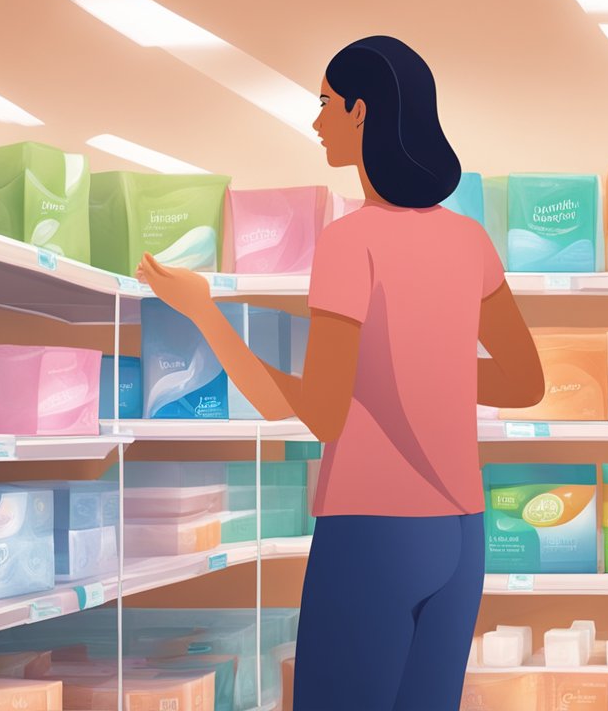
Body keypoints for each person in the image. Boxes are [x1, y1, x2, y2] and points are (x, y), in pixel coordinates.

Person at [135, 36, 546, 710]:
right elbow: (526, 381)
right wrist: (420, 375)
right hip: (460, 534)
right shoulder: (468, 239)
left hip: (373, 533)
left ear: (360, 111)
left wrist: (204, 312)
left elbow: (315, 414)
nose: (316, 120)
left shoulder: (351, 241)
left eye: (325, 103)